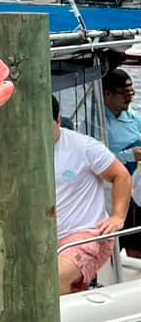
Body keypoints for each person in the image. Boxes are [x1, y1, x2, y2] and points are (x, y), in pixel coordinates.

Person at [53, 95, 131, 295]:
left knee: (56, 275)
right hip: (43, 235)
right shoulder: (20, 151)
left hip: (86, 233)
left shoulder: (85, 147)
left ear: (58, 121)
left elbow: (120, 175)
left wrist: (118, 216)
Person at [100, 67, 141, 258]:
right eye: (125, 93)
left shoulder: (134, 118)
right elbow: (98, 160)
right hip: (112, 188)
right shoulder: (96, 122)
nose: (130, 97)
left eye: (131, 92)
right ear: (107, 94)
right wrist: (129, 155)